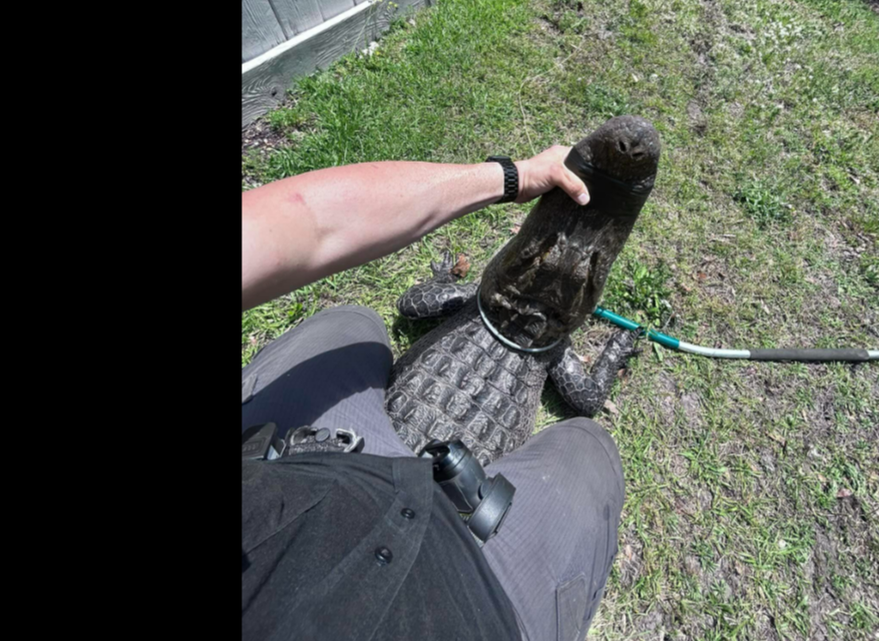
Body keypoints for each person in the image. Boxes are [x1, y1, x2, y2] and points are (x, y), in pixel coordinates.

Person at [241, 147, 625, 641]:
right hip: (471, 585)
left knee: (356, 320)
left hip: (309, 480)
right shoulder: (556, 353)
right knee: (591, 445)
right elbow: (586, 398)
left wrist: (506, 187)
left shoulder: (467, 303)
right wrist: (613, 355)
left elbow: (403, 294)